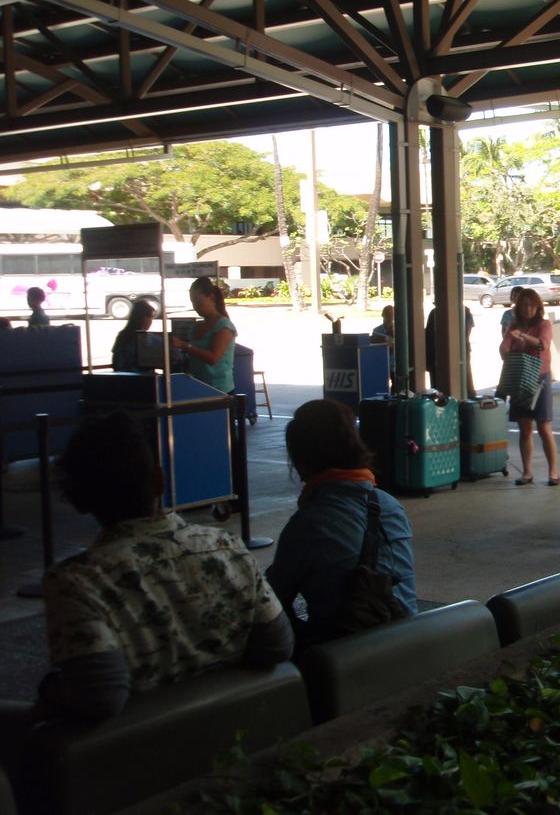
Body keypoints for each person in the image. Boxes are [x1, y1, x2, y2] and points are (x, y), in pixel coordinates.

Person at [40, 410, 292, 720]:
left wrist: (50, 690)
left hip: (138, 743)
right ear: (159, 481)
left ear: (78, 501)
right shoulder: (227, 546)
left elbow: (100, 694)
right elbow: (277, 645)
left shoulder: (76, 582)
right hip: (243, 726)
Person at [266, 399, 416, 650]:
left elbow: (271, 600)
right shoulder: (390, 505)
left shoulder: (310, 523)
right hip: (409, 641)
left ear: (302, 459)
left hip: (345, 655)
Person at [500, 287, 559, 486]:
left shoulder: (544, 324)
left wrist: (523, 337)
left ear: (538, 307)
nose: (528, 309)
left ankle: (553, 472)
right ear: (518, 307)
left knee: (543, 426)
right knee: (524, 427)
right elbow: (504, 347)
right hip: (520, 379)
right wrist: (507, 348)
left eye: (532, 305)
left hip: (540, 379)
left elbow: (543, 344)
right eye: (524, 305)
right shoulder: (514, 326)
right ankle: (527, 472)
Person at [170, 276, 236, 393]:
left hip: (219, 389)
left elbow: (213, 358)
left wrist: (184, 346)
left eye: (198, 301)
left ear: (210, 298)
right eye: (192, 302)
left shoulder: (224, 326)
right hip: (197, 385)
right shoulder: (197, 325)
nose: (195, 306)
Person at [425, 305, 475, 396]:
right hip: (458, 350)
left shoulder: (434, 313)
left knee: (439, 381)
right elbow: (466, 333)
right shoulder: (465, 312)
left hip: (439, 352)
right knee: (464, 377)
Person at [111, 299, 156, 372]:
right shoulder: (145, 338)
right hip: (139, 376)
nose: (151, 321)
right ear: (143, 318)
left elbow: (115, 360)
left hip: (119, 375)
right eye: (150, 317)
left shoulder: (122, 335)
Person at [371, 304, 396, 387]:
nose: (390, 316)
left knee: (396, 387)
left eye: (392, 314)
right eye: (388, 314)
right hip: (381, 363)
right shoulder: (377, 331)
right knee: (381, 386)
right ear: (383, 315)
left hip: (395, 364)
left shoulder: (398, 329)